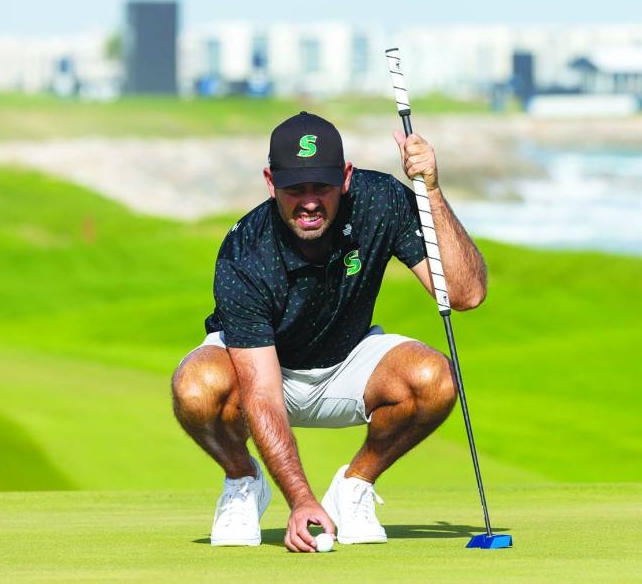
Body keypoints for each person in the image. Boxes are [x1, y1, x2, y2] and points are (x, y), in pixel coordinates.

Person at [171, 111, 487, 553]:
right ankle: (243, 481)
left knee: (434, 379)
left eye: (321, 186)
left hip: (348, 359)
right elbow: (262, 393)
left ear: (345, 177)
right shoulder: (245, 251)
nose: (309, 202)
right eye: (294, 189)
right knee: (195, 388)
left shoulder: (381, 201)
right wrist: (299, 501)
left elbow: (464, 293)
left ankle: (353, 487)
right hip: (264, 371)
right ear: (270, 182)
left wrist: (430, 191)